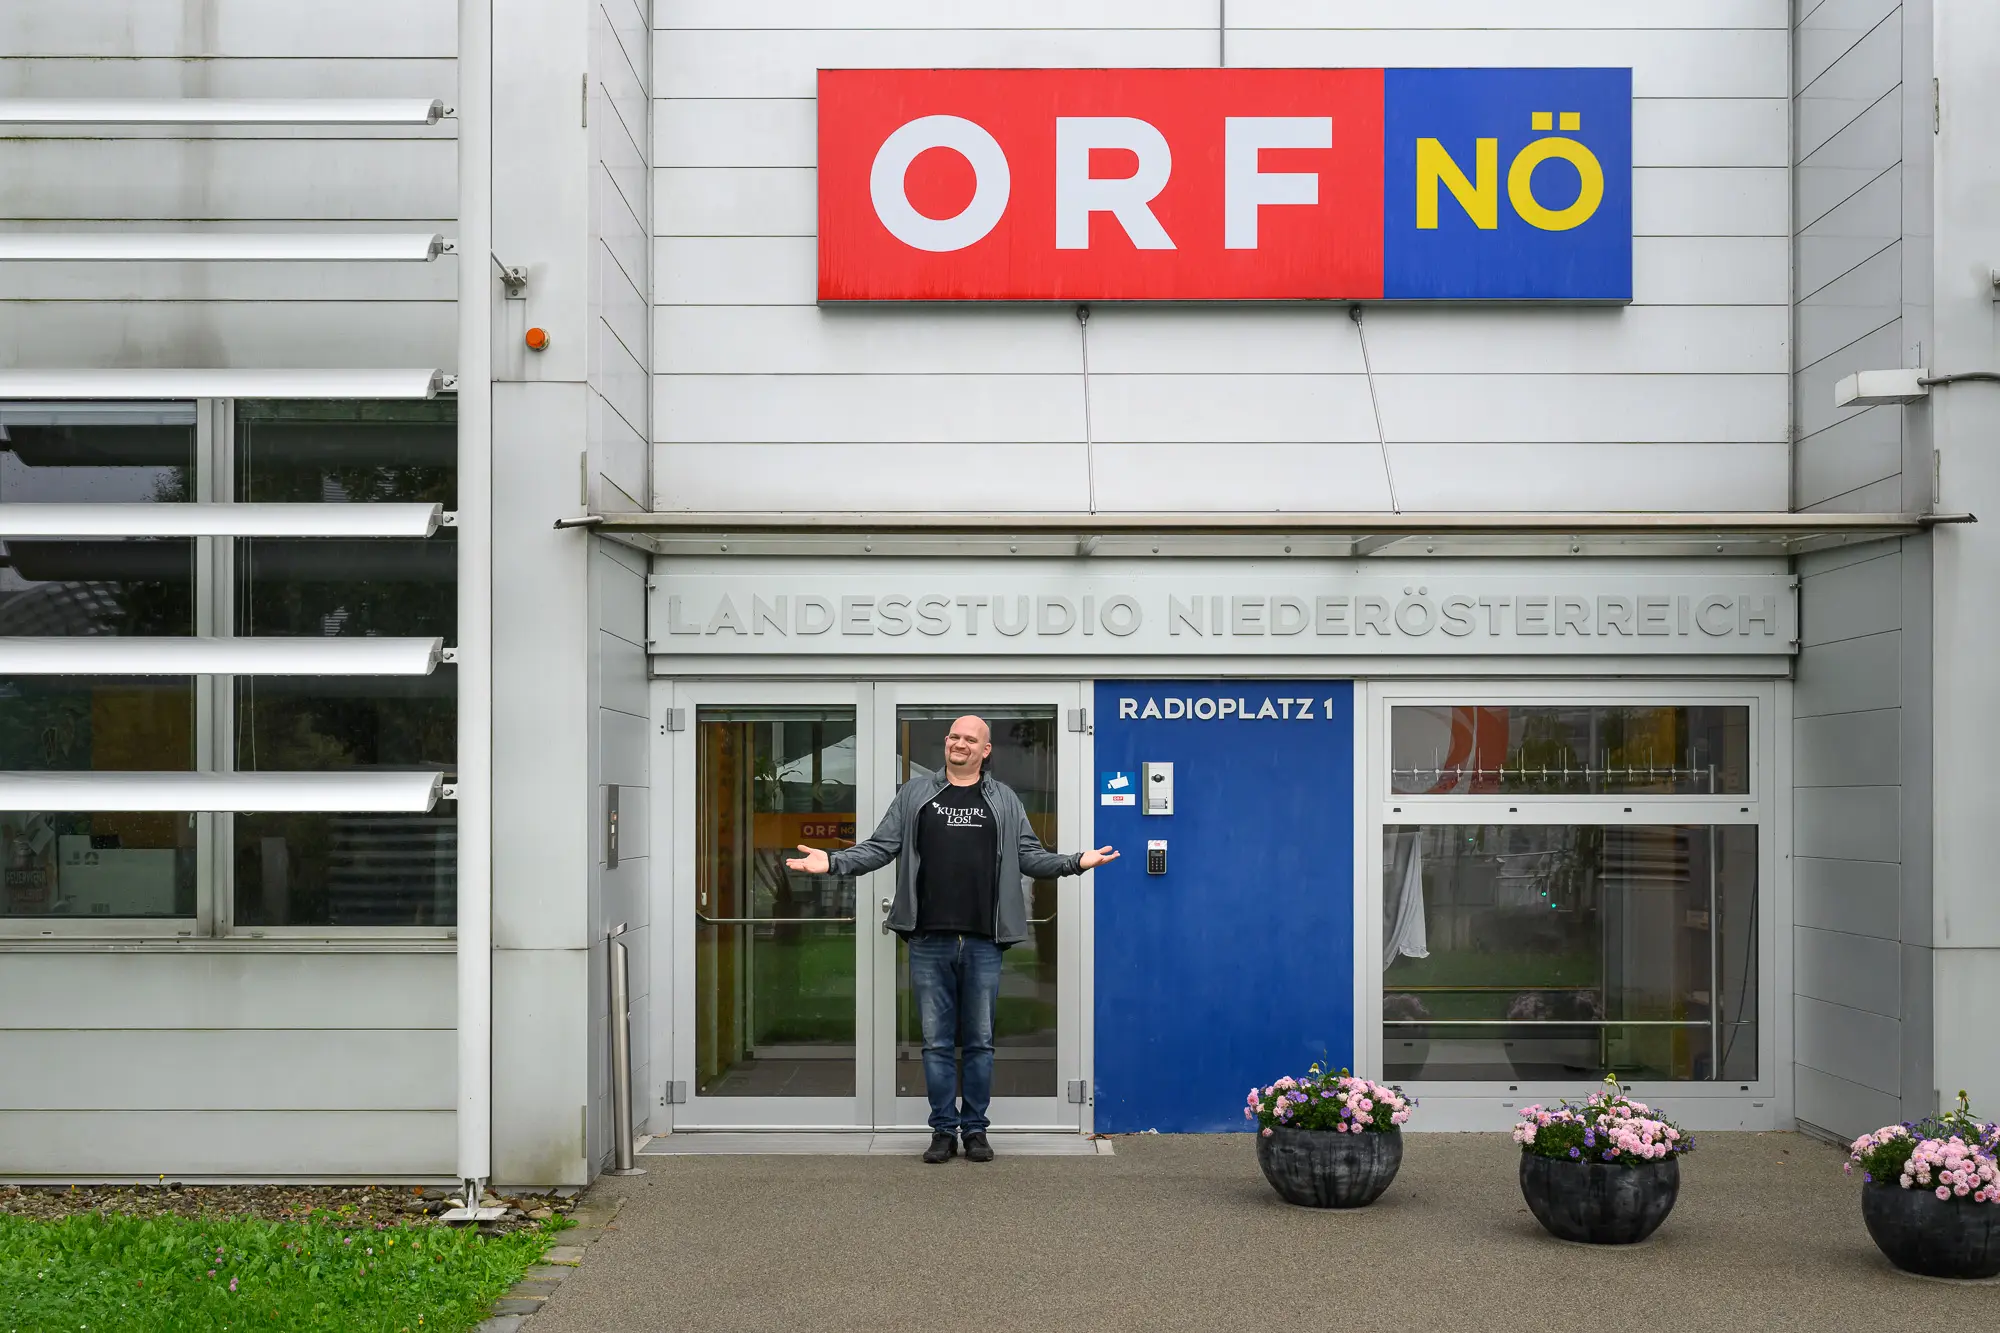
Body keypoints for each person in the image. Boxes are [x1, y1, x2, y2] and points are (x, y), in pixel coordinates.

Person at [786, 715, 1117, 1163]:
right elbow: (880, 847)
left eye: (970, 739)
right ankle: (943, 1130)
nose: (959, 743)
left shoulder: (1003, 800)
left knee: (979, 1042)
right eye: (954, 737)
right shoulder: (916, 795)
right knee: (937, 1042)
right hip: (929, 940)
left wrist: (1076, 861)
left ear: (986, 751)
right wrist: (834, 864)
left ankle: (975, 1130)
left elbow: (1029, 857)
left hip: (984, 941)